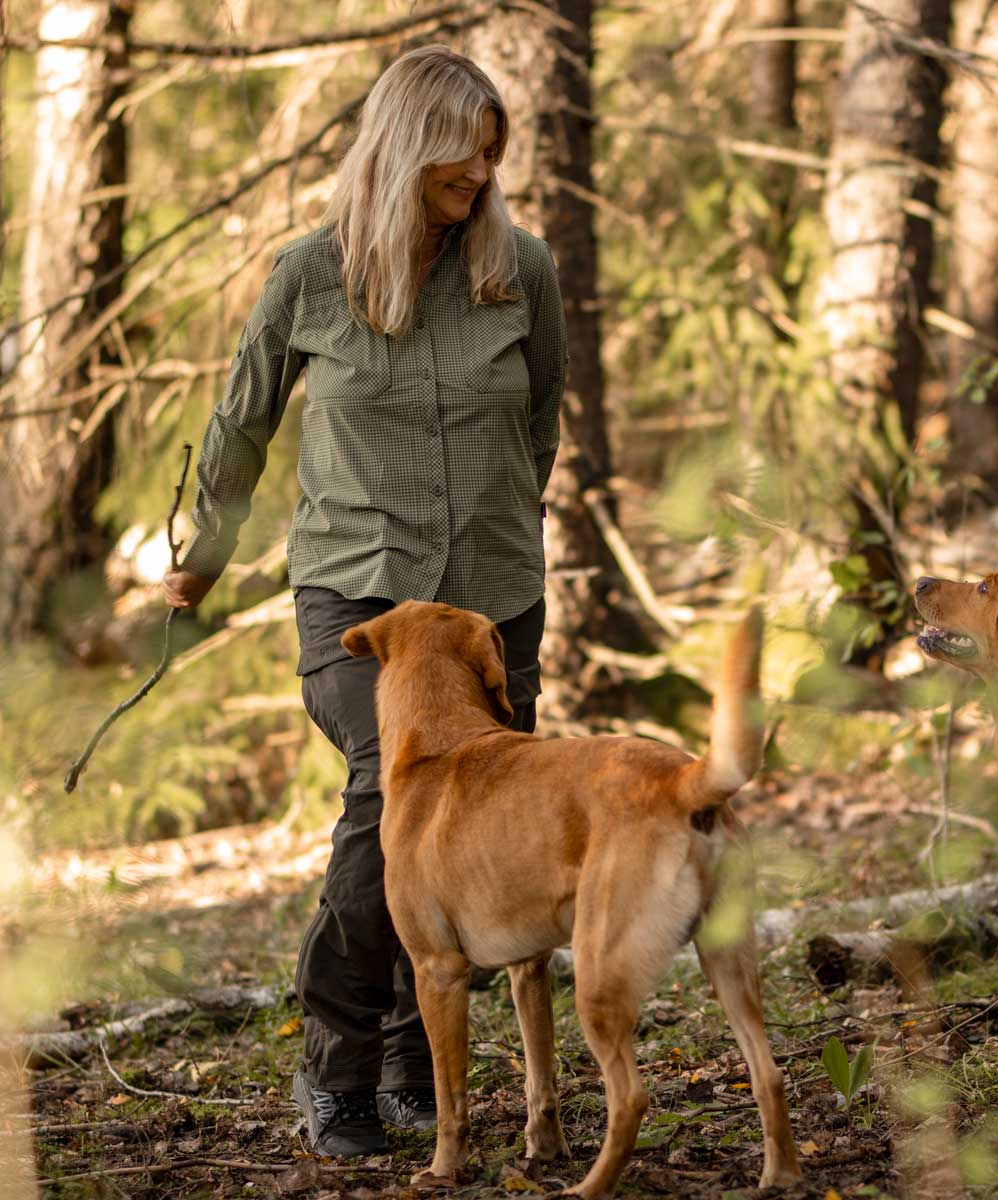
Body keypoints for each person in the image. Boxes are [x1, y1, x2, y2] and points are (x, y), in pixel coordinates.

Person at [162, 46, 566, 1157]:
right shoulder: (311, 275)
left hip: (488, 606)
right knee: (386, 799)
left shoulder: (519, 268)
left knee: (476, 836)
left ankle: (412, 1059)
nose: (479, 173)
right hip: (358, 601)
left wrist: (514, 538)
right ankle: (338, 1060)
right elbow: (240, 425)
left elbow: (541, 419)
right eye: (461, 149)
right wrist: (202, 558)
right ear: (404, 144)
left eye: (492, 152)